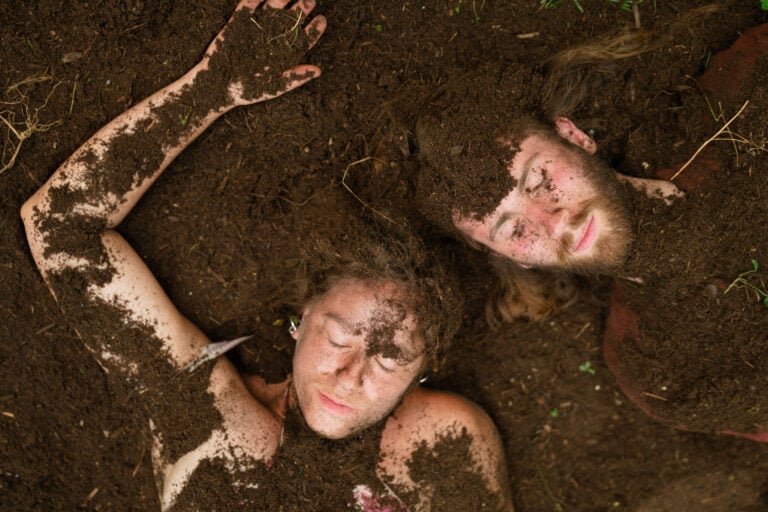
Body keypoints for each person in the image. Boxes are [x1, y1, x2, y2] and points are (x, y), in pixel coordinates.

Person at [20, 1, 513, 510]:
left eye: (390, 358)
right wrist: (209, 90)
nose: (350, 376)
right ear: (303, 317)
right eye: (339, 336)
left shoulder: (443, 445)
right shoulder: (204, 412)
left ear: (422, 369)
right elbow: (60, 229)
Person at [414, 16, 768, 440]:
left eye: (537, 180)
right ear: (513, 260)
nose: (554, 219)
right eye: (512, 230)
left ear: (574, 136)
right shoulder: (654, 370)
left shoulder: (747, 96)